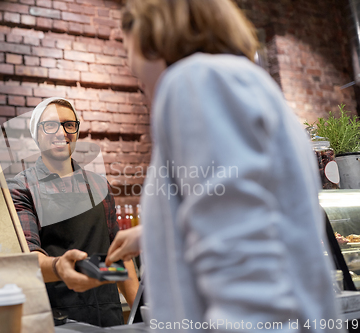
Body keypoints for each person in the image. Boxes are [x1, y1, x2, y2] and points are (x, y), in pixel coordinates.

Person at [106, 0, 343, 331]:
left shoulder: (195, 82)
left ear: (154, 34)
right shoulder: (244, 84)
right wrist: (153, 233)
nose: (134, 74)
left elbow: (246, 275)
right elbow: (248, 212)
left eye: (130, 53)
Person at [7, 97, 139, 327]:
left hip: (109, 317)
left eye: (69, 124)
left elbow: (119, 253)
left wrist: (140, 313)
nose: (61, 132)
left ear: (76, 131)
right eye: (50, 125)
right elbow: (28, 257)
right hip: (56, 320)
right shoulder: (22, 187)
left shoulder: (99, 186)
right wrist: (60, 266)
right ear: (36, 134)